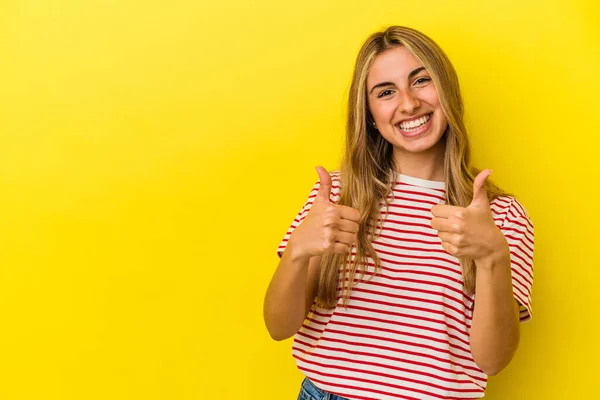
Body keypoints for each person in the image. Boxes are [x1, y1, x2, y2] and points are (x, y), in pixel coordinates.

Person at [263, 25, 534, 400]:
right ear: (371, 114)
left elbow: (492, 361)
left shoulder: (499, 216)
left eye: (421, 81)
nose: (408, 104)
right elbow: (279, 327)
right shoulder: (338, 197)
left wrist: (493, 258)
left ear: (447, 91)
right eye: (386, 92)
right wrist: (296, 252)